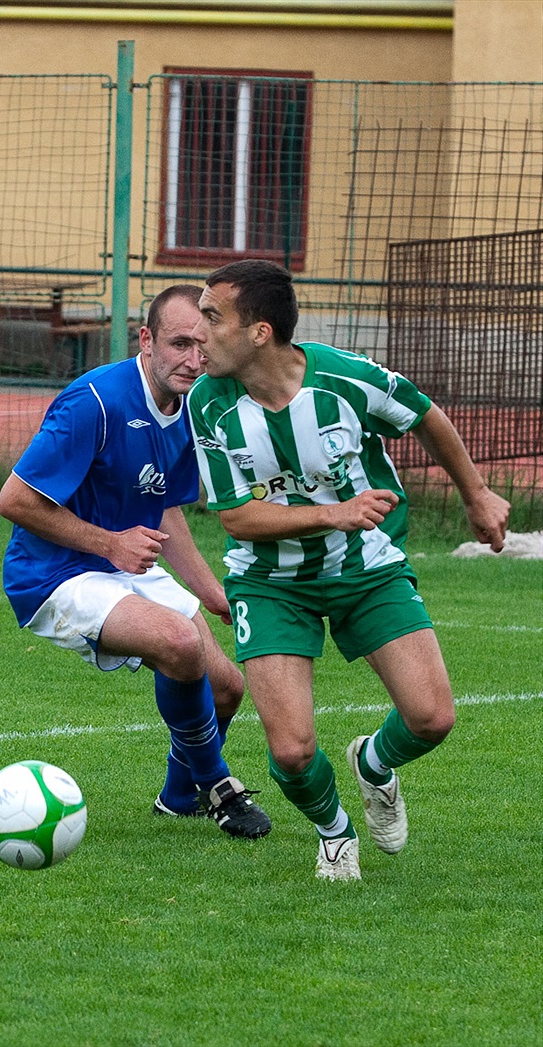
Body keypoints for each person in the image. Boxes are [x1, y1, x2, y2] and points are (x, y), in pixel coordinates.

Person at [187, 259, 510, 879]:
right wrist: (333, 513)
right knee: (291, 750)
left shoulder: (347, 380)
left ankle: (373, 766)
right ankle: (335, 831)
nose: (198, 332)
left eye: (211, 317)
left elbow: (425, 414)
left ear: (259, 332)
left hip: (367, 567)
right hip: (270, 581)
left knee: (432, 719)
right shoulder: (211, 403)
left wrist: (475, 494)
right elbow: (237, 518)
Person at [0, 284, 271, 840]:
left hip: (124, 563)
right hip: (52, 575)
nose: (193, 360)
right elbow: (14, 501)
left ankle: (177, 798)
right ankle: (219, 786)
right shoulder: (94, 401)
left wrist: (212, 592)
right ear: (146, 340)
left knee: (226, 689)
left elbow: (165, 511)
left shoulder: (192, 407)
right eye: (179, 343)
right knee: (178, 643)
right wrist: (109, 544)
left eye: (204, 345)